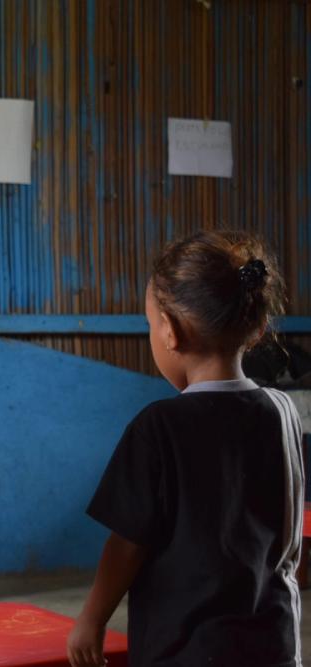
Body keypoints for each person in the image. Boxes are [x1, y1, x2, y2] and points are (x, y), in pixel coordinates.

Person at [67, 231, 303, 667]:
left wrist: (91, 619)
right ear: (257, 329)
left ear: (170, 331)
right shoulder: (283, 411)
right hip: (273, 644)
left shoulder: (158, 426)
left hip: (182, 651)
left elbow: (126, 544)